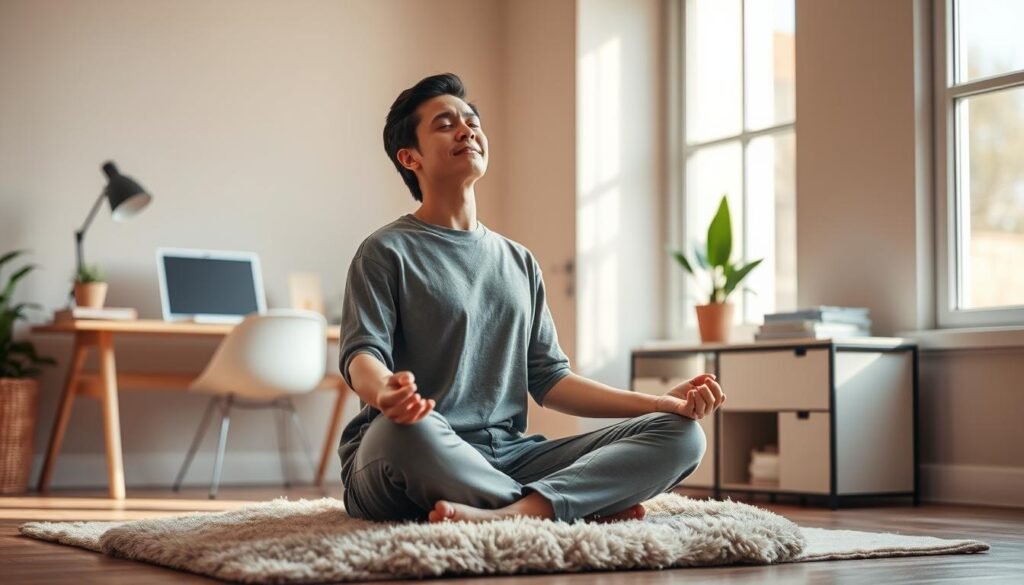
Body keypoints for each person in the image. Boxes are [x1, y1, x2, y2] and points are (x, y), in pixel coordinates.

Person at [337, 73, 725, 524]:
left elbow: (551, 379)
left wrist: (658, 404)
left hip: (511, 457)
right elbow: (361, 355)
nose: (467, 130)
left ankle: (523, 510)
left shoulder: (518, 261)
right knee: (405, 434)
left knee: (682, 436)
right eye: (445, 124)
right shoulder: (386, 251)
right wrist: (386, 393)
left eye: (472, 121)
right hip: (412, 448)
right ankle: (571, 504)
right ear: (410, 157)